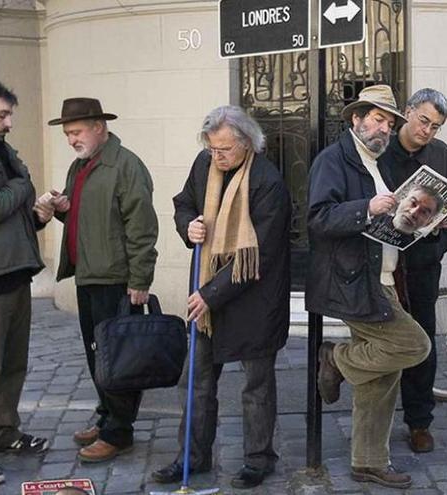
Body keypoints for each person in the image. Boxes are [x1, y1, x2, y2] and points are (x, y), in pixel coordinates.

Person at [153, 105, 292, 489]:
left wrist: (210, 296)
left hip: (254, 301)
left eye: (225, 149)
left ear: (247, 144)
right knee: (195, 381)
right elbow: (184, 203)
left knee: (256, 386)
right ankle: (192, 457)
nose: (218, 156)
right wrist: (189, 225)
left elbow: (259, 254)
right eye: (213, 148)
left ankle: (258, 459)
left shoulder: (268, 182)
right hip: (208, 294)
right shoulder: (204, 165)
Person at [307, 84, 431, 489]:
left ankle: (367, 461)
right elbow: (319, 218)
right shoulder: (334, 160)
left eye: (390, 123)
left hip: (383, 277)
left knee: (382, 376)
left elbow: (388, 226)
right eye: (378, 119)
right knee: (414, 345)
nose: (385, 128)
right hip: (355, 282)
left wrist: (424, 220)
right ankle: (336, 360)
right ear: (357, 118)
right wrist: (366, 208)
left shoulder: (379, 165)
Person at [47, 97, 158, 463]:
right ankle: (108, 415)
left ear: (99, 127)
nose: (71, 139)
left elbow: (141, 229)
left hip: (116, 280)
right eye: (67, 133)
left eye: (76, 132)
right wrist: (66, 211)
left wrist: (140, 279)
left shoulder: (126, 166)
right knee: (98, 356)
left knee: (117, 359)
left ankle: (118, 433)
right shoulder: (80, 167)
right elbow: (90, 220)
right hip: (88, 277)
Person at [378, 88, 447, 453]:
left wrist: (442, 240)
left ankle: (419, 422)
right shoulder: (381, 150)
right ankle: (376, 421)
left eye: (436, 127)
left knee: (422, 341)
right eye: (424, 121)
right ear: (408, 112)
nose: (428, 131)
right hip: (383, 261)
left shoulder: (442, 155)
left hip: (423, 264)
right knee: (381, 338)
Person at [0, 80, 50, 488]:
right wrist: (22, 187)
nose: (10, 122)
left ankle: (4, 433)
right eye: (2, 114)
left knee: (12, 365)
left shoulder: (1, 151)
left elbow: (15, 207)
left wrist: (38, 215)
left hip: (16, 271)